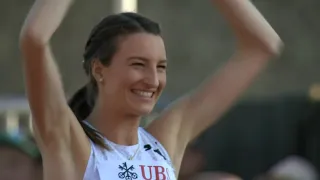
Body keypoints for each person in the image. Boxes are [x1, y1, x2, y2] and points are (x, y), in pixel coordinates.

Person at [19, 0, 283, 179]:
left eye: (161, 67)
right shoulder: (70, 143)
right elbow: (34, 38)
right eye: (138, 64)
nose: (152, 80)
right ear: (99, 70)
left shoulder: (166, 140)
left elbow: (263, 46)